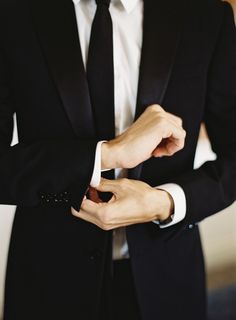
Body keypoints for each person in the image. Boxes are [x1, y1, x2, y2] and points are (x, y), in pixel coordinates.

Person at [0, 0, 236, 319]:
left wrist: (165, 202)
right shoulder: (13, 13)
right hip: (48, 279)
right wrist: (107, 153)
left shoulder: (205, 14)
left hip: (169, 280)